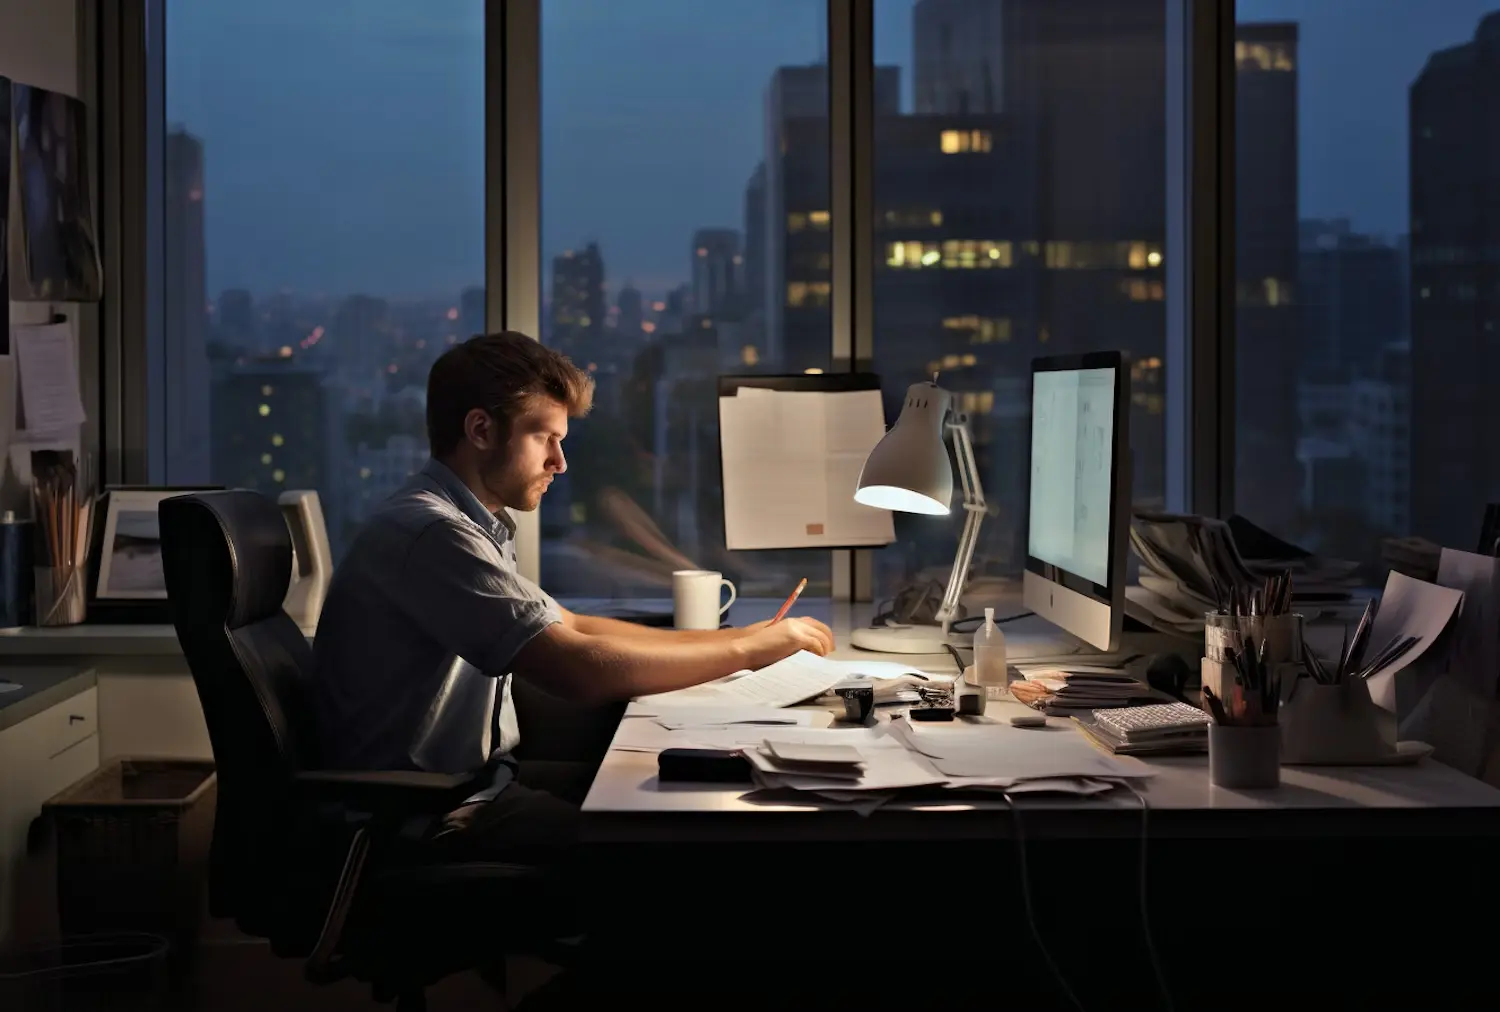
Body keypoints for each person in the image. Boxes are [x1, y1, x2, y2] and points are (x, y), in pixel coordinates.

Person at [311, 331, 833, 879]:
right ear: (481, 430)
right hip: (433, 811)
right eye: (546, 439)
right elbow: (577, 670)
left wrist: (741, 640)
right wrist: (750, 651)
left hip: (480, 785)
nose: (560, 462)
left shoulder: (466, 523)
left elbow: (574, 625)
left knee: (692, 789)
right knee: (684, 845)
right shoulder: (432, 534)